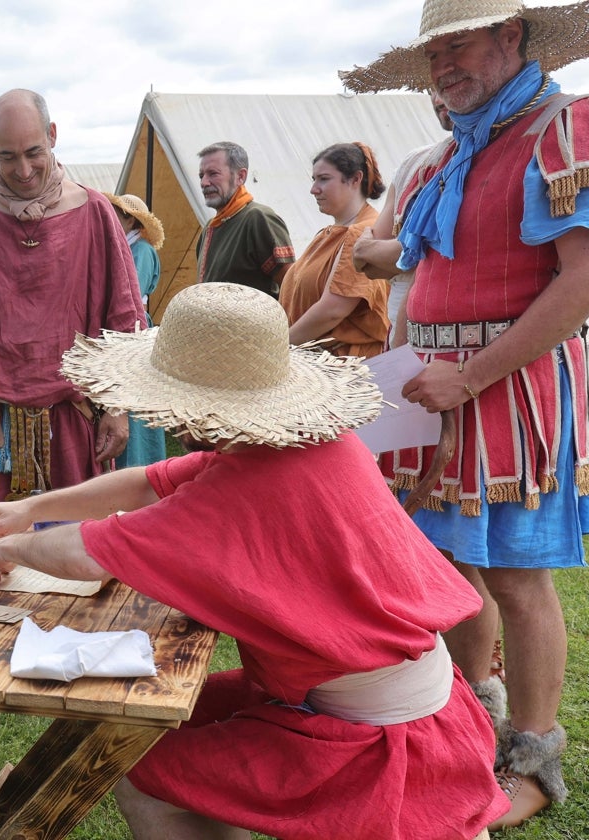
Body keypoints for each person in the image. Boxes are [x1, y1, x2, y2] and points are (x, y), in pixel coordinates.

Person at [0, 282, 507, 840]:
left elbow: (90, 553)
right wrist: (31, 510)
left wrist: (10, 548)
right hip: (397, 698)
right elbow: (148, 484)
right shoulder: (303, 443)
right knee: (137, 722)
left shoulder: (246, 480)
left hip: (371, 737)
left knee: (138, 770)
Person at [341, 0, 589, 828]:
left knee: (518, 581)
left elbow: (580, 284)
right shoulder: (451, 153)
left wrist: (469, 375)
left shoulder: (561, 129)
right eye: (433, 51)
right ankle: (471, 724)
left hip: (511, 388)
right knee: (452, 570)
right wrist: (397, 375)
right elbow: (424, 281)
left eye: (458, 45)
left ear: (511, 38)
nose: (443, 65)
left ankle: (533, 761)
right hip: (433, 389)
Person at [0, 88, 146, 503]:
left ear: (53, 135)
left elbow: (124, 323)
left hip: (73, 425)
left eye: (33, 152)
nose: (23, 170)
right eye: (8, 156)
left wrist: (117, 410)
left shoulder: (96, 213)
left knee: (75, 555)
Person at [352, 92, 454, 347]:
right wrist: (374, 252)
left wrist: (371, 248)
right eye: (432, 89)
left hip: (454, 342)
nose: (438, 99)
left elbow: (444, 257)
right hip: (400, 330)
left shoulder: (497, 157)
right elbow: (366, 265)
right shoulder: (416, 162)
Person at [279, 142, 390, 358]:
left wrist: (278, 347)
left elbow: (333, 311)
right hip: (318, 365)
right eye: (314, 180)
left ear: (355, 179)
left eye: (324, 179)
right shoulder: (328, 234)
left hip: (345, 370)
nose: (314, 189)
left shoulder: (364, 234)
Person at [104, 192, 166, 467]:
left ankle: (140, 467)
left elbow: (130, 295)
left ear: (130, 220)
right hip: (125, 332)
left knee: (136, 409)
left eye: (116, 213)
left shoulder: (141, 251)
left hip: (135, 332)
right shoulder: (125, 248)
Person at [195, 141, 296, 298]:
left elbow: (292, 286)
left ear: (240, 176)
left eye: (213, 173)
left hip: (256, 322)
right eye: (201, 175)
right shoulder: (210, 228)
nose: (204, 182)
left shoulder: (257, 218)